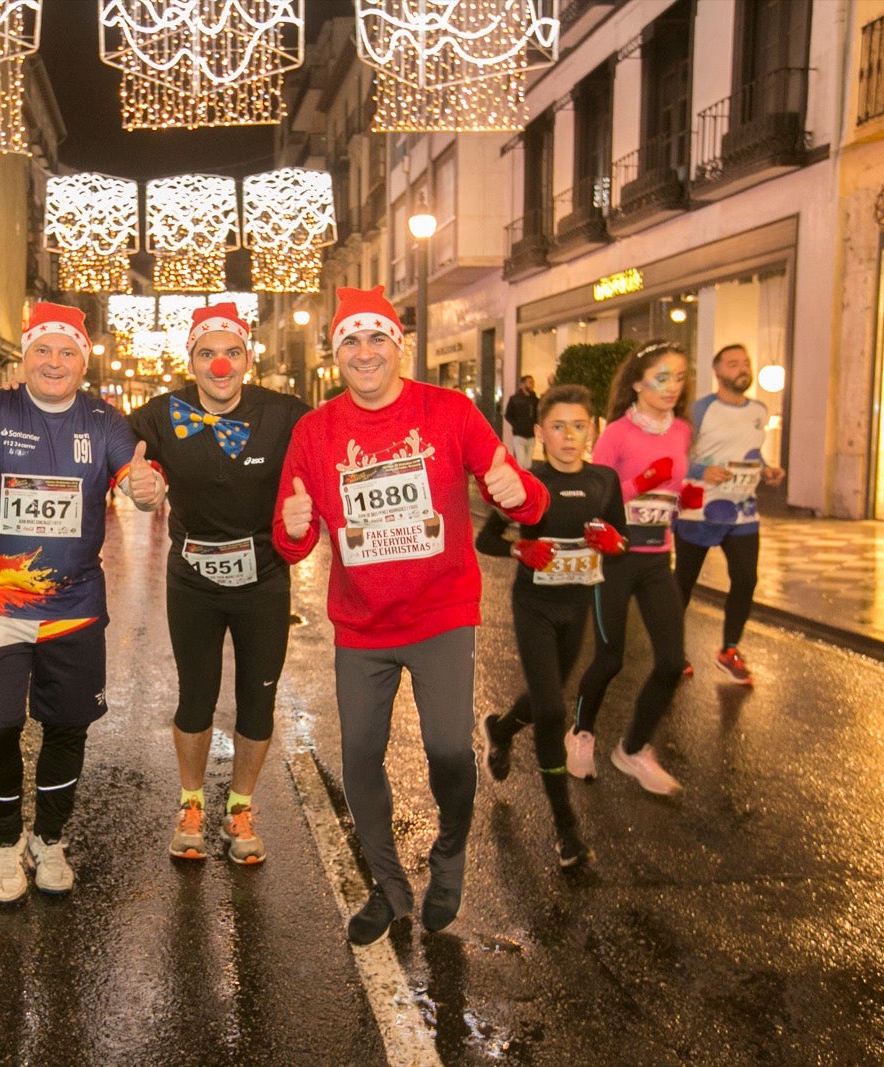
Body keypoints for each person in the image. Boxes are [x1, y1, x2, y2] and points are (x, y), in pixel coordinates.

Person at [272, 286, 547, 944]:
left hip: (442, 611)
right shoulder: (315, 431)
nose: (364, 353)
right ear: (335, 355)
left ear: (401, 346)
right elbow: (291, 542)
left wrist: (521, 492)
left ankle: (449, 850)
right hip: (362, 625)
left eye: (377, 338)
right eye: (350, 342)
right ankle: (389, 886)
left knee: (450, 749)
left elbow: (524, 497)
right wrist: (292, 525)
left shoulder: (448, 411)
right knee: (361, 756)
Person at [0, 302, 163, 903]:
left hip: (75, 605)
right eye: (44, 349)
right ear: (25, 355)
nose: (54, 361)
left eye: (68, 352)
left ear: (83, 362)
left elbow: (137, 485)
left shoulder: (105, 421)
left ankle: (50, 838)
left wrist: (148, 489)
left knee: (68, 727)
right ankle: (7, 843)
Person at [129, 303, 310, 865]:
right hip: (192, 580)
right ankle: (190, 803)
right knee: (196, 693)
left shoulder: (285, 414)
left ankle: (240, 807)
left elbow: (341, 442)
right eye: (208, 354)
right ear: (192, 361)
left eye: (232, 353)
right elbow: (106, 449)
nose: (221, 365)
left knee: (258, 697)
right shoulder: (161, 414)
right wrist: (137, 481)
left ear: (248, 359)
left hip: (264, 578)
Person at [475, 385, 628, 868]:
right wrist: (520, 548)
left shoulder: (605, 481)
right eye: (558, 427)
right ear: (539, 432)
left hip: (577, 604)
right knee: (551, 710)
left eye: (579, 426)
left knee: (546, 701)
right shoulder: (524, 482)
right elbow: (487, 540)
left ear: (592, 429)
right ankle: (566, 829)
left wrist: (611, 541)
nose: (569, 436)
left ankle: (499, 730)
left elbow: (619, 538)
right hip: (535, 606)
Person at [568, 341, 694, 796]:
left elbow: (677, 491)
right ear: (638, 382)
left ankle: (634, 748)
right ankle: (581, 733)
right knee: (610, 658)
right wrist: (641, 483)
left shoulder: (681, 431)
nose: (672, 387)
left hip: (659, 557)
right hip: (616, 558)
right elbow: (595, 495)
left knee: (672, 662)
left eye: (679, 378)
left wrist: (691, 494)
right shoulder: (618, 433)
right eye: (662, 377)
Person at [674, 344, 785, 685]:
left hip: (742, 510)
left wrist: (766, 470)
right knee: (683, 583)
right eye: (733, 363)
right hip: (699, 507)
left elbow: (751, 452)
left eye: (745, 362)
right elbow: (676, 456)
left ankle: (729, 650)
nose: (741, 368)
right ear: (717, 371)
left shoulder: (759, 409)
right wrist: (702, 470)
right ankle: (672, 652)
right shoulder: (699, 409)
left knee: (746, 579)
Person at [504, 375, 540, 469]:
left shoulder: (535, 400)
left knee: (528, 464)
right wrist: (516, 425)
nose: (532, 385)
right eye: (529, 382)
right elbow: (508, 415)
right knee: (521, 461)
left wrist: (535, 425)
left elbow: (537, 415)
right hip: (519, 435)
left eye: (532, 383)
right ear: (522, 384)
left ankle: (526, 482)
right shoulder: (514, 399)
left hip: (531, 435)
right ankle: (521, 481)